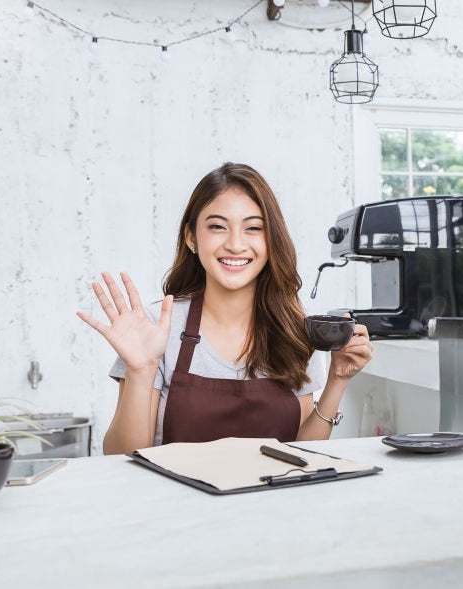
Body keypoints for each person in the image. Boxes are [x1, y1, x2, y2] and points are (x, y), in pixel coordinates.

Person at [77, 163, 373, 454]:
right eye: (218, 227)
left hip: (274, 501)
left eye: (254, 228)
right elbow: (120, 456)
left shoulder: (291, 329)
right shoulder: (157, 327)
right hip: (175, 502)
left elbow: (303, 453)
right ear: (191, 237)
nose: (235, 244)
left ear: (271, 240)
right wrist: (140, 371)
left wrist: (338, 381)